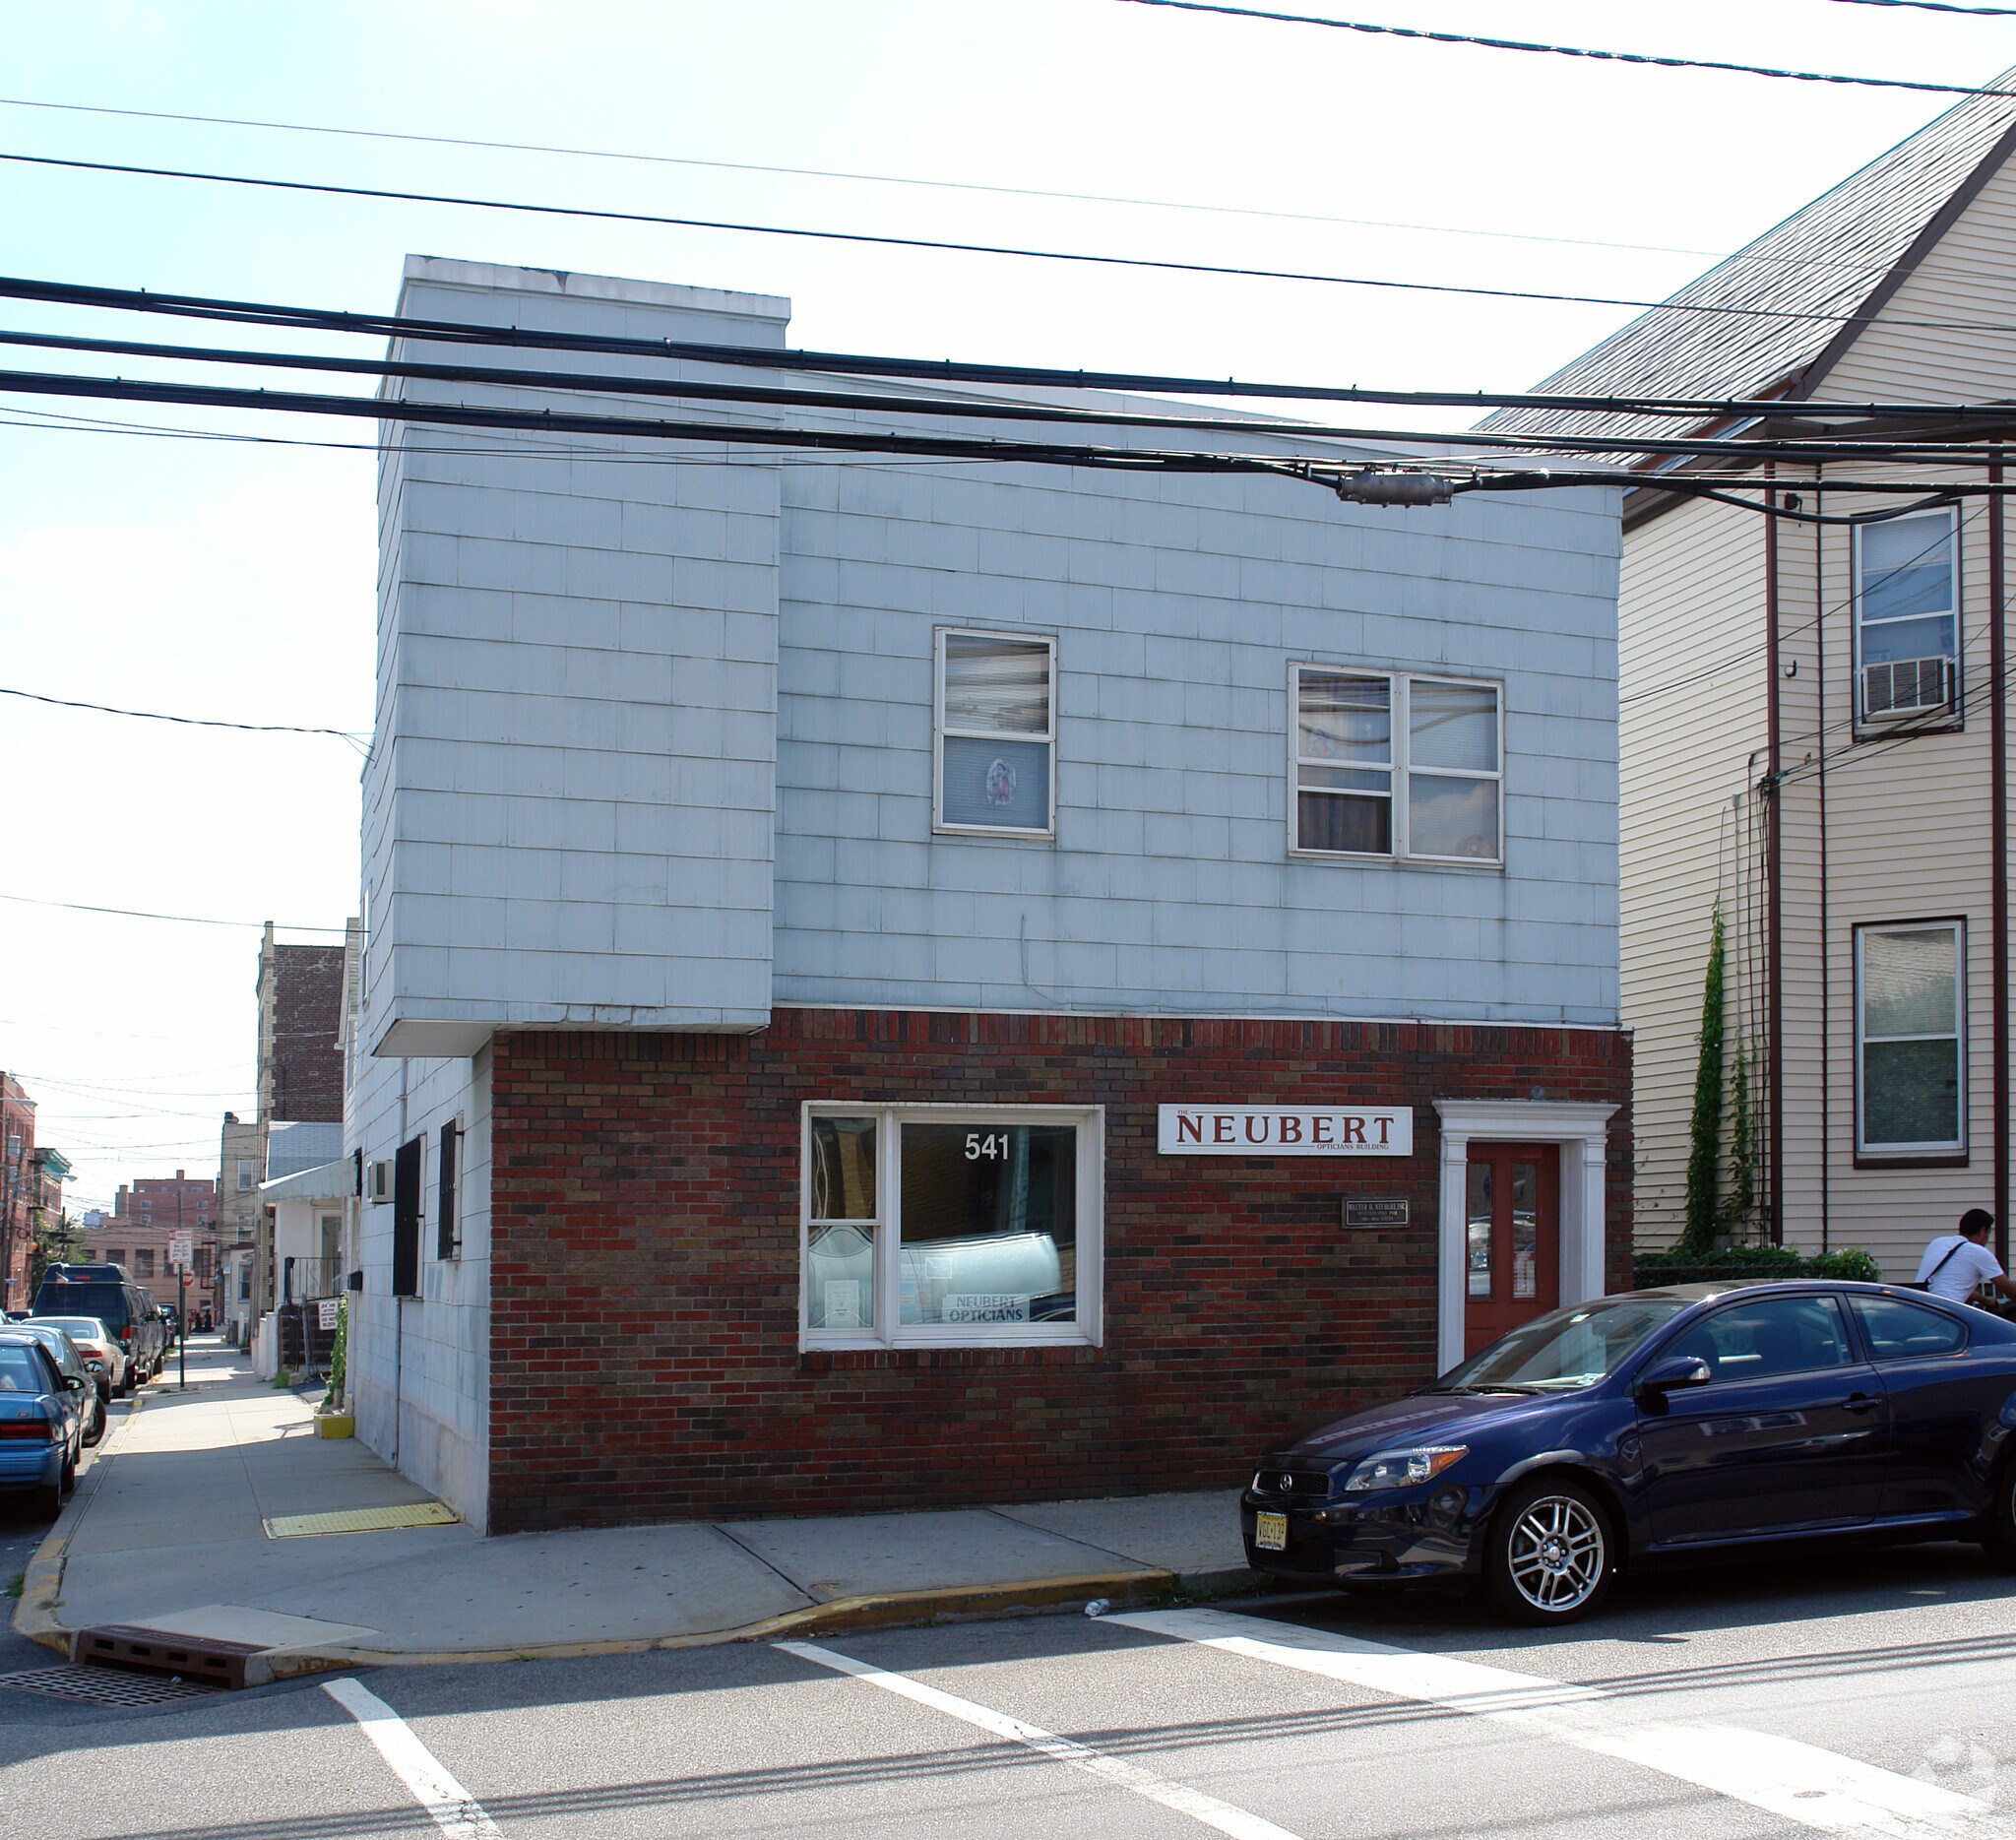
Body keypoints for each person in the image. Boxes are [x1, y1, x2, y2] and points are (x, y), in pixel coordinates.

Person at [1915, 1209, 2016, 1305]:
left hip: (1920, 1305)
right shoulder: (1978, 1252)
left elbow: (1954, 1287)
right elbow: (2010, 1291)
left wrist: (1985, 1300)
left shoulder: (1938, 1242)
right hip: (1945, 1311)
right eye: (1989, 1232)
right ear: (1982, 1231)